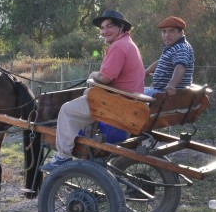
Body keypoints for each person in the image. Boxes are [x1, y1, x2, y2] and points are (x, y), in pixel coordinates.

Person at [40, 10, 145, 172]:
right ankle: (82, 133)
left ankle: (63, 156)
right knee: (83, 100)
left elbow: (105, 77)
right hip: (128, 101)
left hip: (117, 103)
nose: (104, 31)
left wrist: (92, 75)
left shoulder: (118, 47)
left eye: (109, 26)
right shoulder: (129, 44)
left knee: (66, 110)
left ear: (121, 27)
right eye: (102, 28)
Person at [144, 16, 194, 96]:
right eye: (164, 31)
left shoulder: (181, 48)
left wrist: (171, 85)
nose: (167, 35)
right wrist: (146, 72)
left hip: (165, 95)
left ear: (181, 33)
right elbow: (160, 62)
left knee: (127, 95)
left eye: (171, 31)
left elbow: (180, 66)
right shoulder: (173, 47)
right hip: (159, 92)